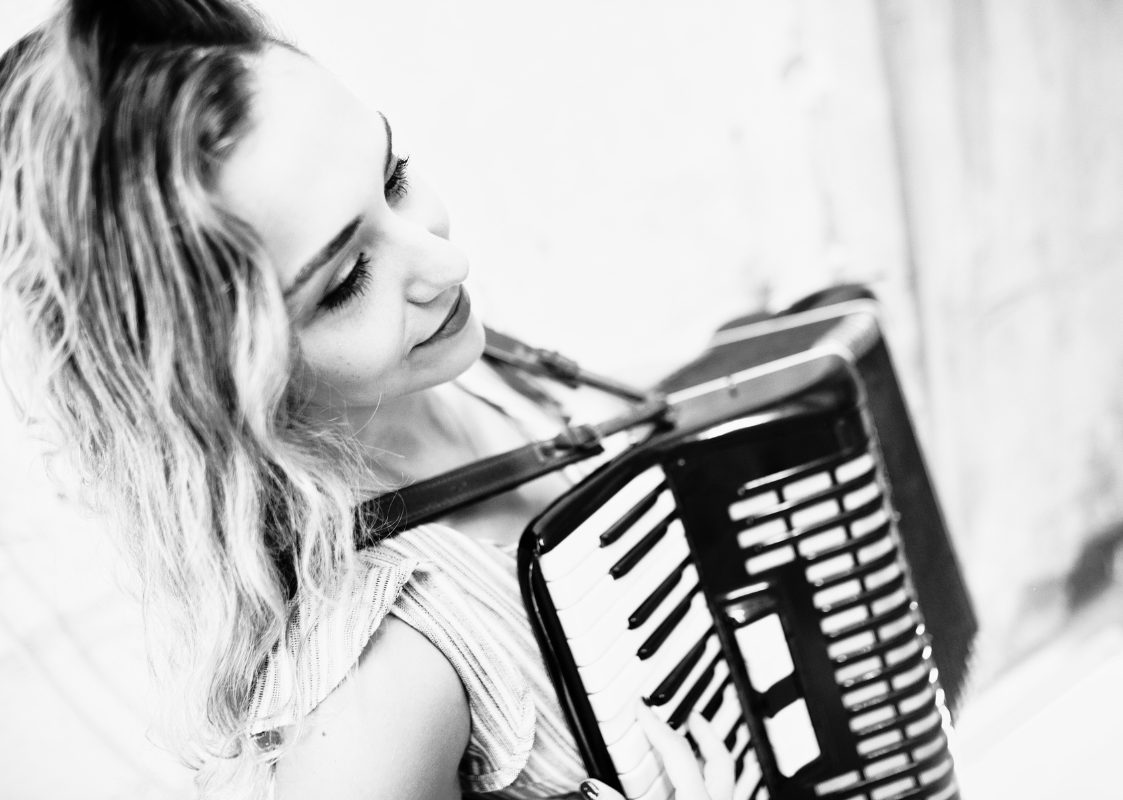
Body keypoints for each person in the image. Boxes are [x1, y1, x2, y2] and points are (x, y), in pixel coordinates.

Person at [0, 1, 734, 799]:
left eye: (395, 176)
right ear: (213, 383)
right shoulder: (377, 691)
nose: (444, 264)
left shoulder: (453, 367)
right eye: (345, 280)